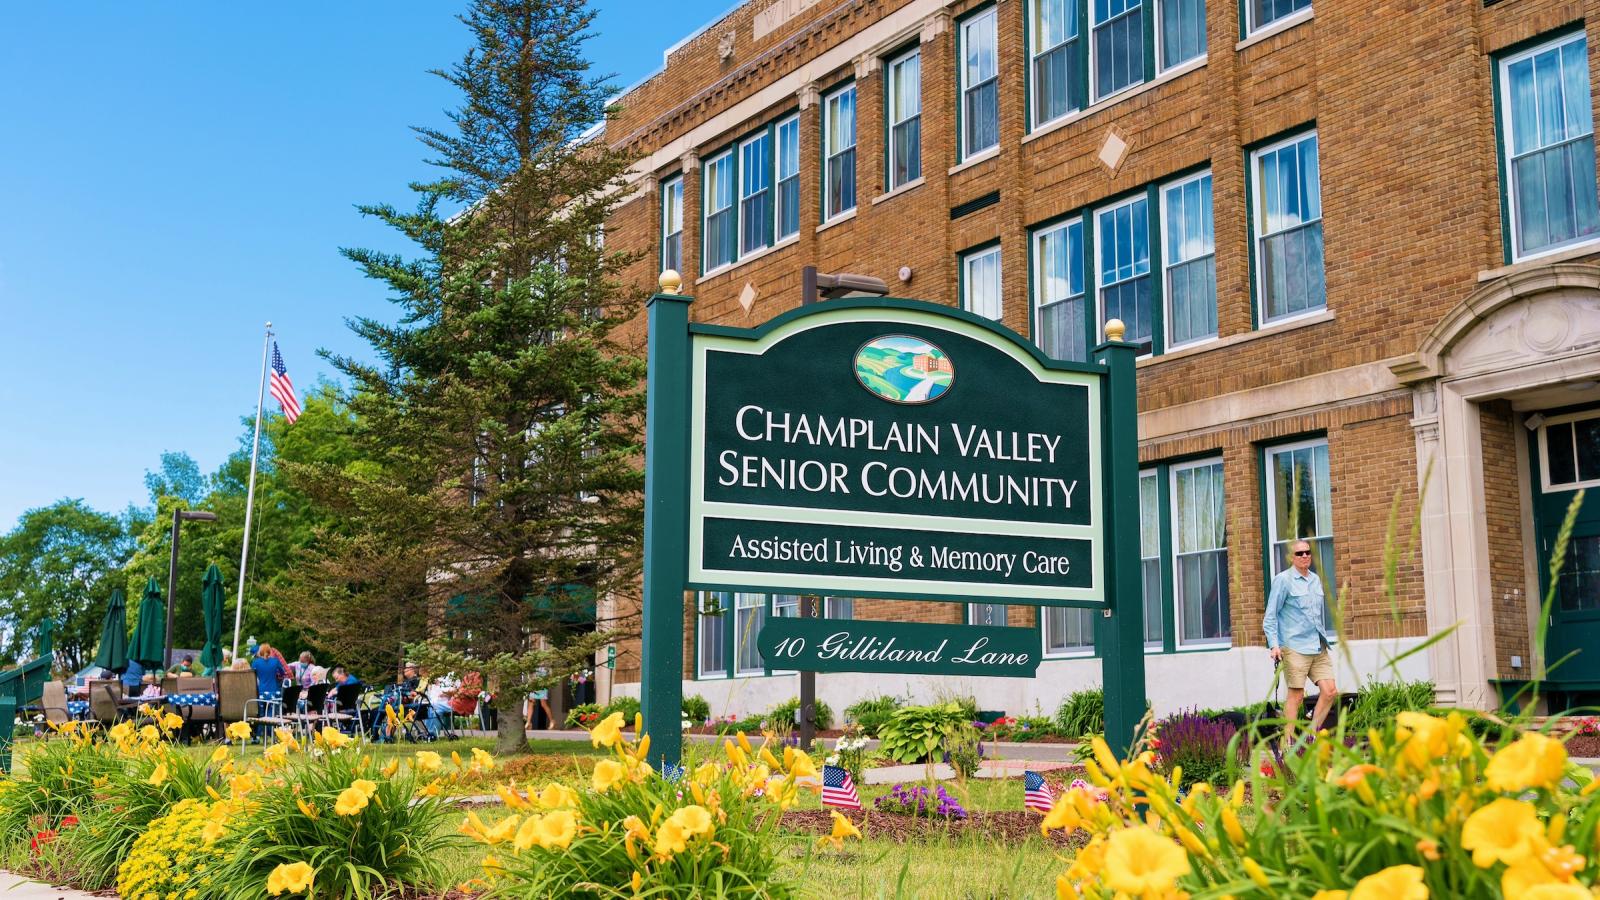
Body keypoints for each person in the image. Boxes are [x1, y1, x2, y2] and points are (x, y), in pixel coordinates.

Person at [1263, 539, 1338, 739]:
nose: (1305, 556)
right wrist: (1274, 645)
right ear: (1291, 557)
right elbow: (1270, 616)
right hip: (1294, 646)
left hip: (1317, 644)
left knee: (1330, 691)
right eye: (1299, 553)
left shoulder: (1315, 579)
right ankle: (1287, 743)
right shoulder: (1283, 580)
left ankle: (1310, 736)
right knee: (1296, 696)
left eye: (1307, 552)